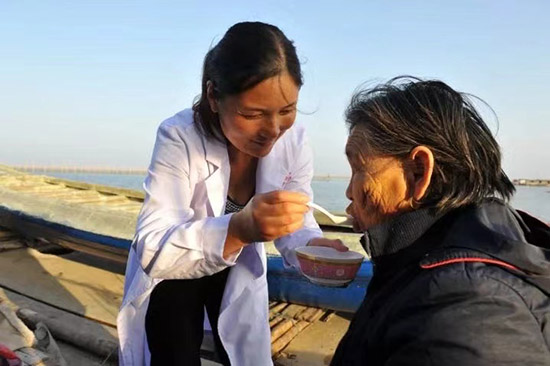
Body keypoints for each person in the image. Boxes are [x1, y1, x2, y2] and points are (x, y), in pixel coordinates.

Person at [117, 22, 346, 366]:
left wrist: (310, 245)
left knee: (242, 353)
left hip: (235, 266)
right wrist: (239, 229)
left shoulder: (294, 141)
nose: (272, 131)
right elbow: (153, 242)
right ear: (213, 96)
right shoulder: (178, 137)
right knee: (174, 348)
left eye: (286, 110)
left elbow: (296, 213)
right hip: (175, 268)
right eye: (252, 114)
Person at [331, 76, 550, 366]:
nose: (349, 192)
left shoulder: (468, 310)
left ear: (418, 172)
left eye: (358, 168)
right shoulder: (443, 255)